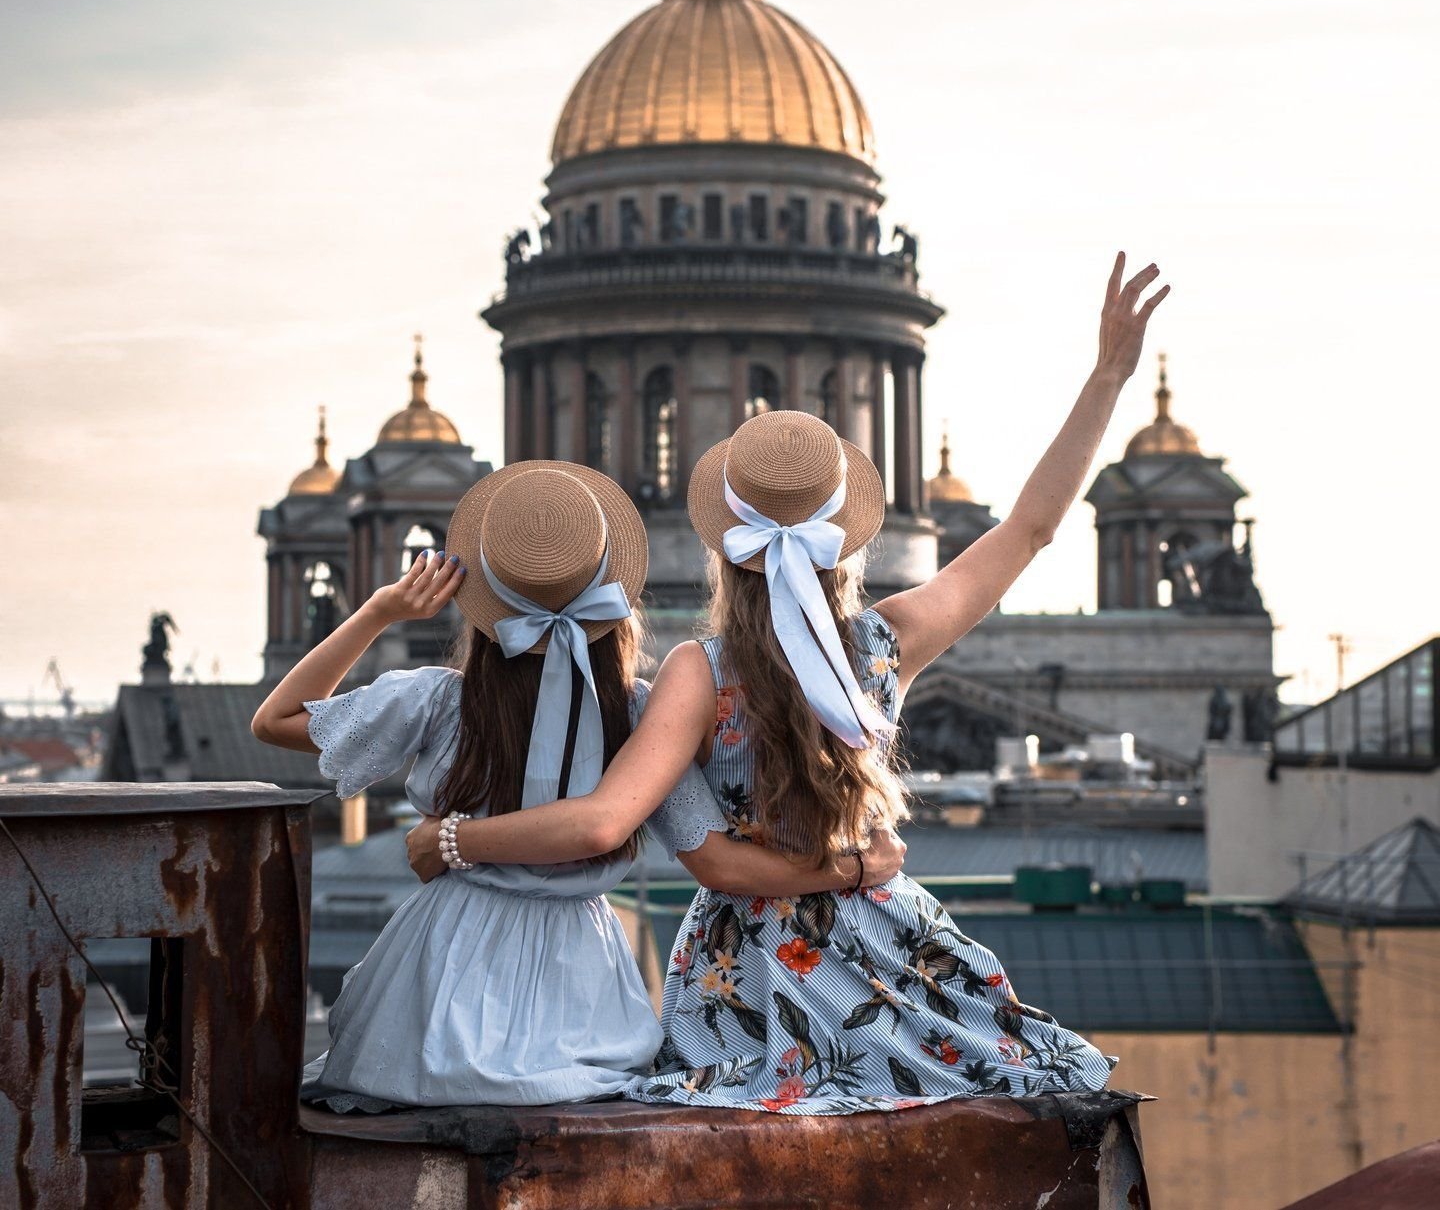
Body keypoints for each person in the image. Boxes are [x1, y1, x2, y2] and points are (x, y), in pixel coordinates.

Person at [405, 255, 1167, 1113]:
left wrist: (454, 839)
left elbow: (625, 828)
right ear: (848, 533)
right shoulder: (889, 642)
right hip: (893, 944)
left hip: (754, 981)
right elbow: (1032, 529)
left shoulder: (697, 674)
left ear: (721, 537)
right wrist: (1108, 374)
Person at [251, 460, 904, 1111]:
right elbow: (715, 857)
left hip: (441, 966)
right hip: (583, 983)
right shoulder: (645, 715)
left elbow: (276, 720)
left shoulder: (437, 701)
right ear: (613, 598)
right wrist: (850, 867)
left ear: (481, 598)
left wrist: (379, 610)